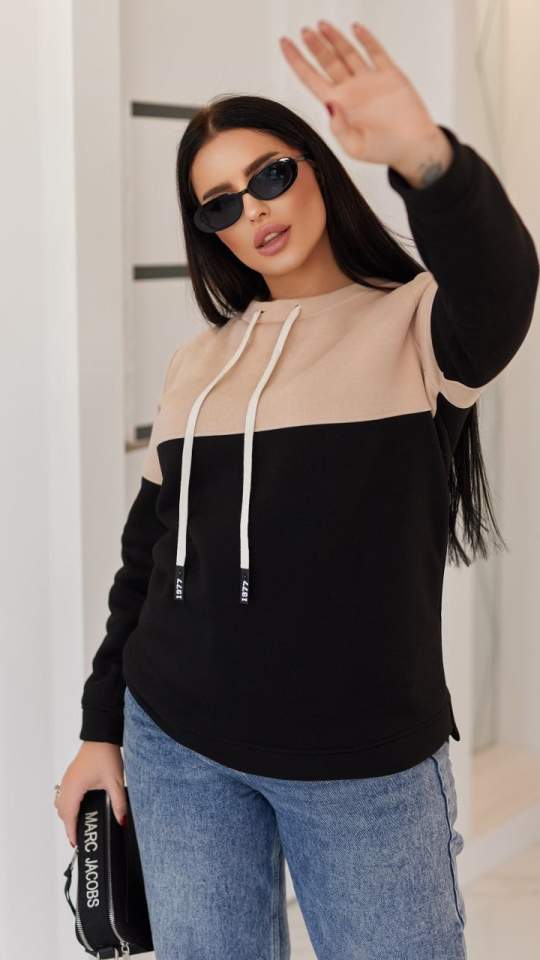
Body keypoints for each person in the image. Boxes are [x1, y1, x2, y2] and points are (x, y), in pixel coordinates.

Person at [54, 19, 539, 960]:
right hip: (177, 749)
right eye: (220, 206)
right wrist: (99, 730)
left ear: (316, 166)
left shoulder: (417, 328)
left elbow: (502, 285)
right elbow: (144, 561)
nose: (254, 211)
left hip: (361, 764)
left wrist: (425, 157)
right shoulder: (198, 362)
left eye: (270, 175)